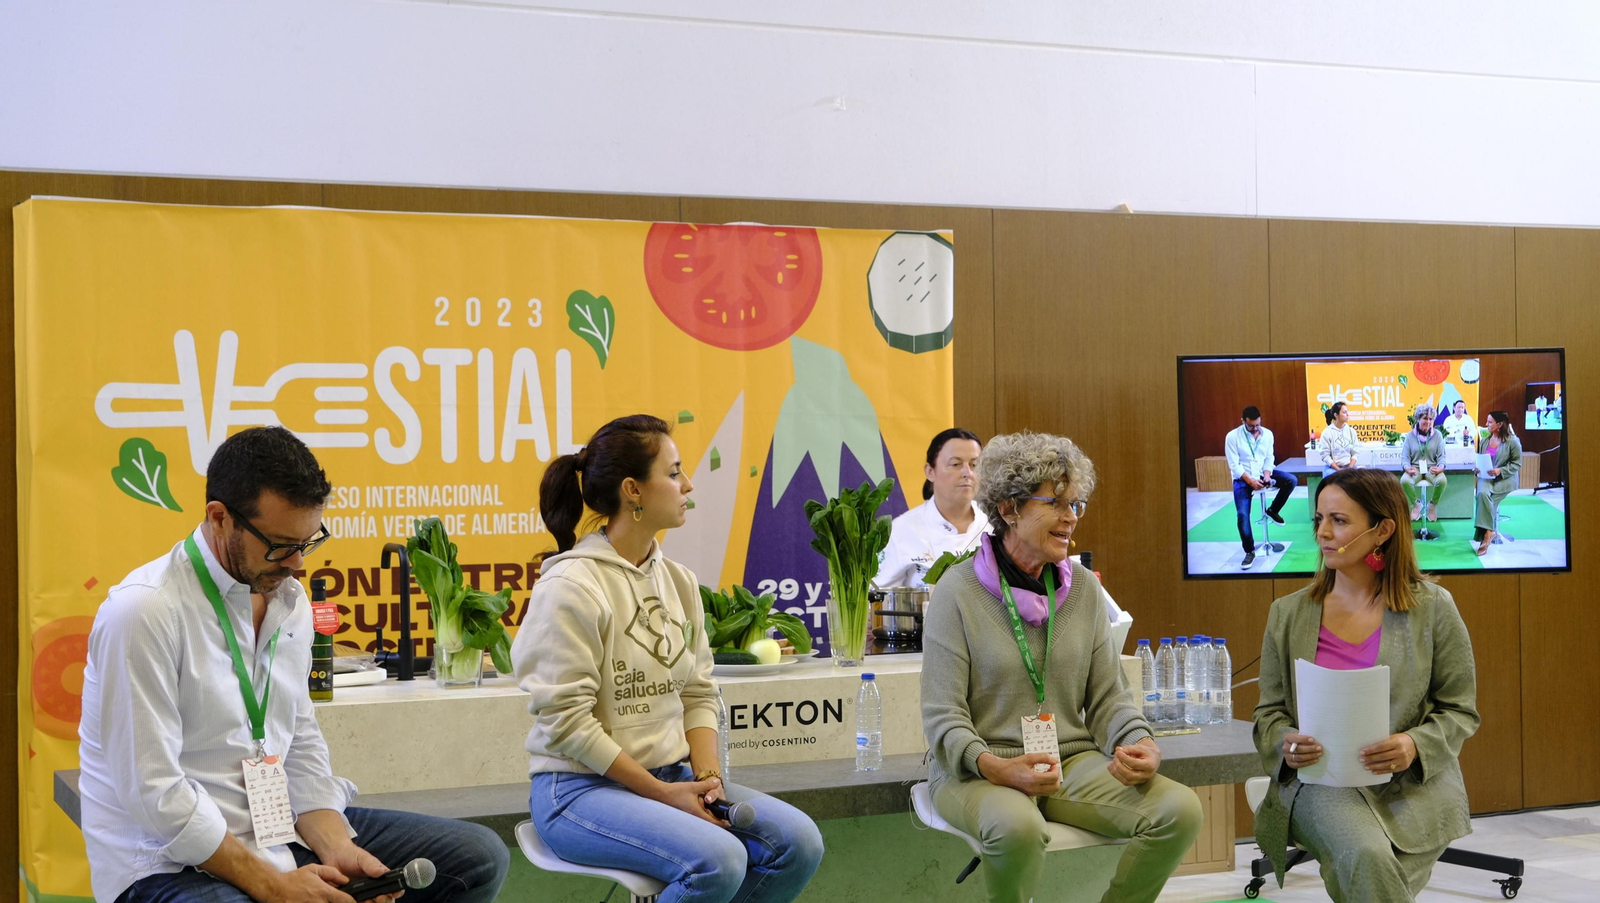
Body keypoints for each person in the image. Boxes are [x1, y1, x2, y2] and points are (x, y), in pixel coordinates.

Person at [78, 426, 509, 903]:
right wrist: (274, 887)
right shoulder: (145, 611)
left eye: (309, 542)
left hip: (276, 831)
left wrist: (338, 847)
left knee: (478, 856)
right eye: (282, 545)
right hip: (169, 864)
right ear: (219, 518)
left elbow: (298, 739)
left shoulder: (289, 599)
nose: (299, 564)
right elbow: (154, 795)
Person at [516, 414, 823, 903]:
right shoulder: (570, 585)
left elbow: (699, 691)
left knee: (798, 843)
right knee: (717, 861)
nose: (689, 484)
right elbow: (568, 726)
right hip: (578, 791)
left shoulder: (678, 580)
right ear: (633, 490)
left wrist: (706, 780)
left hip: (674, 775)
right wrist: (660, 794)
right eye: (675, 471)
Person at [921, 431, 1202, 903]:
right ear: (1009, 508)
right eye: (1057, 504)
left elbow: (1109, 696)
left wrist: (1139, 741)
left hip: (1068, 761)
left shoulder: (1085, 588)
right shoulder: (957, 590)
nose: (1072, 518)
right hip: (978, 769)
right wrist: (997, 768)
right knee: (1016, 827)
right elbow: (942, 716)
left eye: (1077, 505)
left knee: (1180, 809)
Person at [1253, 468, 1478, 902]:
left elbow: (1460, 709)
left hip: (1410, 785)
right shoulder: (1288, 614)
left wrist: (1413, 744)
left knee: (1370, 873)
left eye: (1339, 521)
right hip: (1318, 782)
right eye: (1318, 519)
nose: (1323, 533)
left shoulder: (1432, 608)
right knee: (1367, 855)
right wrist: (1286, 742)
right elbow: (1269, 713)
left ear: (1383, 530)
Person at [876, 427, 989, 587]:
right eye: (956, 464)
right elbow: (879, 600)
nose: (967, 473)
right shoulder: (901, 530)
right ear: (930, 472)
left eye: (974, 464)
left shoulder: (996, 523)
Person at [1224, 406, 1299, 570]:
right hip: (1243, 478)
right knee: (1242, 515)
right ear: (1243, 421)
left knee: (1291, 480)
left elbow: (1269, 457)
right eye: (1251, 426)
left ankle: (1272, 510)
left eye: (1258, 424)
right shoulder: (1232, 437)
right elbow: (1234, 465)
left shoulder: (1268, 434)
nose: (1255, 429)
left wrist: (1266, 475)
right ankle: (1249, 551)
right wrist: (1251, 482)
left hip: (1261, 473)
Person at [1473, 411, 1523, 556]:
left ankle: (1486, 535)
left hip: (1504, 479)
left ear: (1500, 425)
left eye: (1490, 422)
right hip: (1486, 478)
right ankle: (1489, 532)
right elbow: (1481, 459)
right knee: (1482, 494)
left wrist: (1500, 471)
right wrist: (1477, 469)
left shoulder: (1513, 442)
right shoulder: (1484, 441)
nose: (1486, 424)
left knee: (1487, 501)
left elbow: (1517, 464)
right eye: (1487, 421)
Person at [1400, 403, 1447, 522]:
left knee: (1442, 481)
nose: (1428, 421)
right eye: (1425, 418)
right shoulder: (1410, 436)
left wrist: (1440, 467)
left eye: (1431, 419)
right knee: (1404, 481)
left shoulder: (1438, 435)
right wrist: (1407, 468)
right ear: (1418, 419)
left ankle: (1432, 505)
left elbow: (1442, 457)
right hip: (1415, 469)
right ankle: (1416, 504)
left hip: (1432, 469)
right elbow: (1405, 457)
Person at [1317, 401, 1360, 477]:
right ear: (1336, 415)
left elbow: (1355, 452)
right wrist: (1338, 470)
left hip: (1349, 467)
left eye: (1347, 412)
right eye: (1344, 412)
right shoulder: (1327, 432)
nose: (1347, 414)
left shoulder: (1351, 431)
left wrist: (1350, 468)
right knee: (1335, 477)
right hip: (1333, 469)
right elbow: (1325, 455)